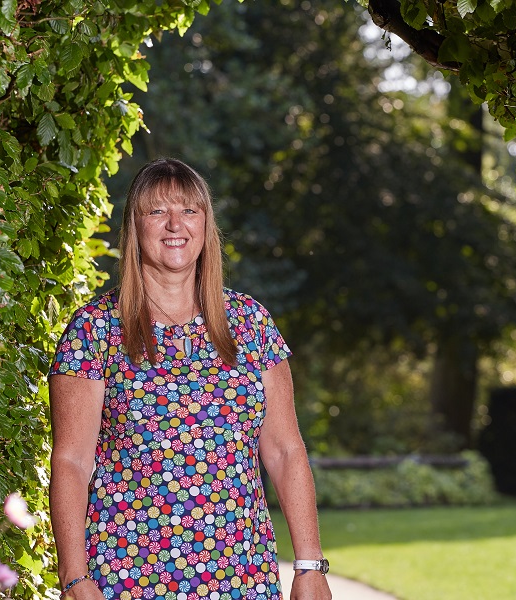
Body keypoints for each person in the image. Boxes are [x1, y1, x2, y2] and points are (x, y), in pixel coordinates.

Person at [48, 158, 332, 600]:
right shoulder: (94, 329)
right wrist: (75, 578)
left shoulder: (250, 323)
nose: (174, 224)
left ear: (206, 224)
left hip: (242, 578)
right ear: (135, 225)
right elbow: (71, 462)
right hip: (126, 578)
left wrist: (310, 566)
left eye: (190, 211)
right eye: (157, 211)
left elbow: (285, 450)